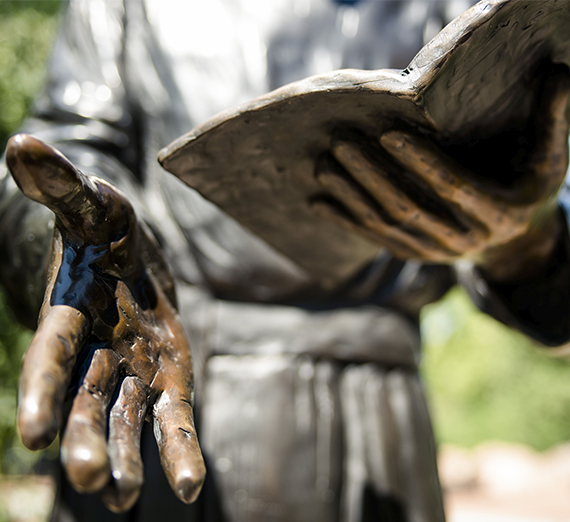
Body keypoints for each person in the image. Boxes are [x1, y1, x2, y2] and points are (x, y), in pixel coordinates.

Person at [1, 1, 570, 521]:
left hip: (381, 434)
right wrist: (77, 252)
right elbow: (60, 152)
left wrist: (523, 243)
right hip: (170, 388)